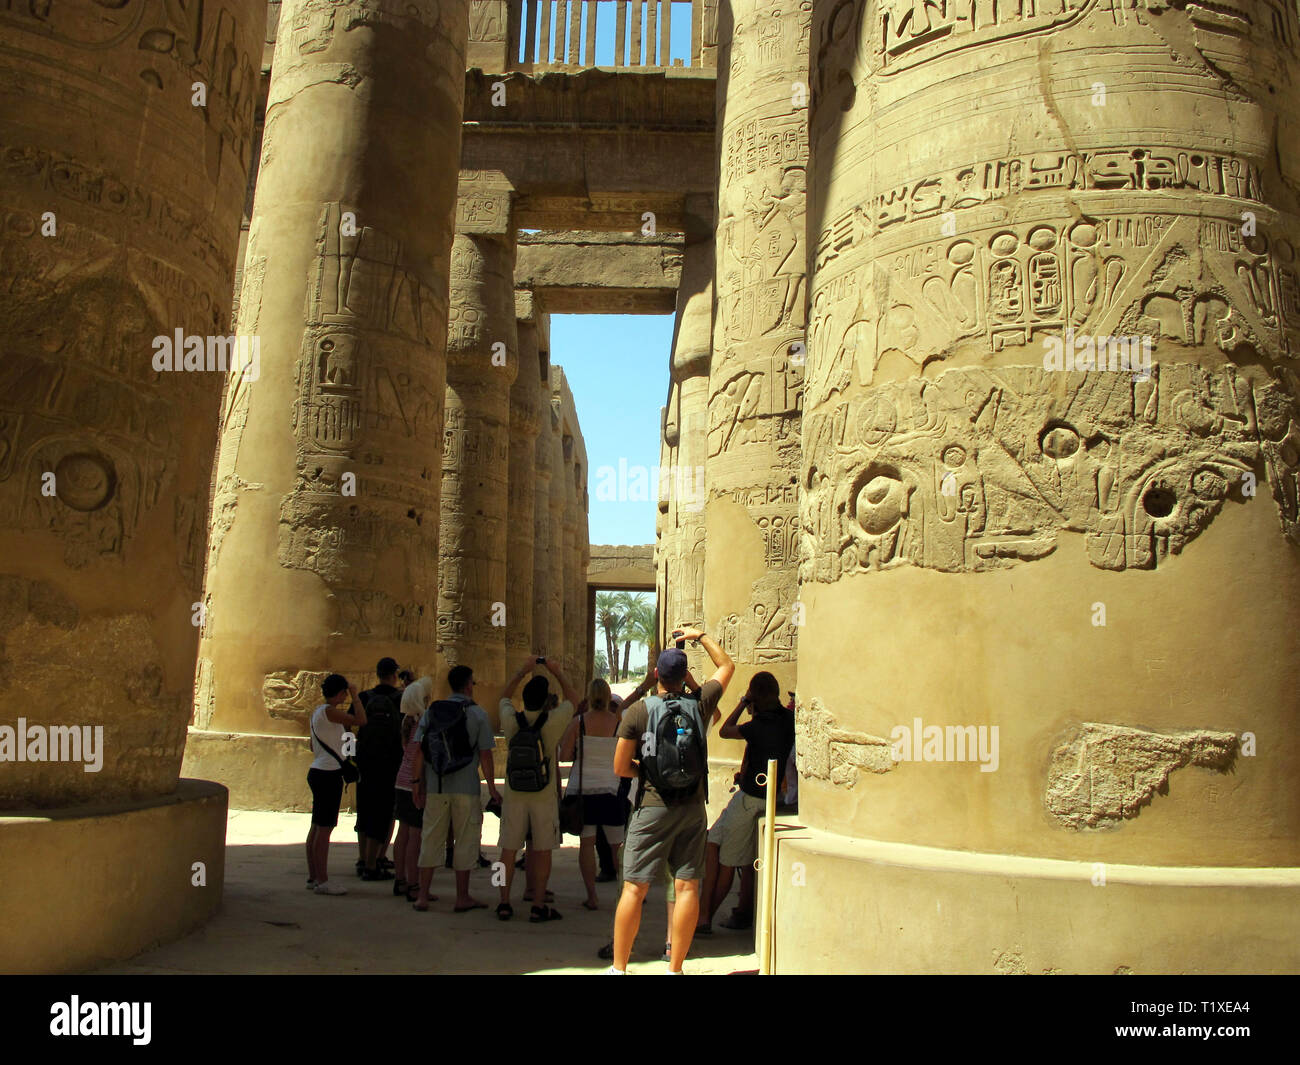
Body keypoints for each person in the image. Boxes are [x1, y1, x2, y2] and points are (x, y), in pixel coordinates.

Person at [609, 628, 733, 973]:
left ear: (655, 675)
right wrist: (701, 635)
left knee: (634, 887)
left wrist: (646, 773)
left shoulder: (636, 712)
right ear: (685, 677)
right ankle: (675, 966)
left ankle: (619, 967)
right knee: (687, 885)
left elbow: (620, 767)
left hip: (652, 805)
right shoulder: (701, 704)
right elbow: (726, 665)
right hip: (692, 807)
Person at [697, 671, 795, 934]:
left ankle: (705, 919)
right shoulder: (789, 721)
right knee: (718, 843)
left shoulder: (757, 725)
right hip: (766, 796)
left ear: (755, 695)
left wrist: (742, 702)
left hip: (750, 798)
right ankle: (720, 912)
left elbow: (725, 731)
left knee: (730, 859)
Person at [410, 665, 500, 912]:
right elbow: (485, 755)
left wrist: (416, 782)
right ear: (469, 685)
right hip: (466, 787)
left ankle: (423, 895)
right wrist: (492, 787)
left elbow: (418, 749)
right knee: (465, 840)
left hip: (437, 784)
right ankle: (462, 897)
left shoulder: (433, 711)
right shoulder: (478, 714)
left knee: (431, 838)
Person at [496, 655, 578, 922]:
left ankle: (504, 902)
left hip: (514, 793)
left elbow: (503, 699)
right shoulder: (552, 722)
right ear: (545, 701)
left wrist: (521, 671)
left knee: (507, 850)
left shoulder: (511, 720)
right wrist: (557, 671)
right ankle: (538, 904)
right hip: (543, 795)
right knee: (542, 850)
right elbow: (575, 701)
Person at [558, 678, 625, 910]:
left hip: (582, 791)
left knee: (587, 844)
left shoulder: (579, 723)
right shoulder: (618, 723)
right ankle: (626, 896)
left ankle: (592, 896)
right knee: (618, 846)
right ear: (608, 697)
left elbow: (564, 756)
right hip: (609, 789)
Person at [306, 674, 366, 896]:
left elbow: (313, 745)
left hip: (319, 770)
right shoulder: (330, 712)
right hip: (327, 774)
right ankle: (322, 880)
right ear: (340, 692)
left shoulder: (317, 713)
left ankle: (314, 876)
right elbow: (361, 720)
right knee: (324, 830)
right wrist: (356, 696)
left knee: (316, 827)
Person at [355, 657, 404, 880]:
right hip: (391, 763)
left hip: (365, 762)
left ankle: (363, 858)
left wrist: (351, 756)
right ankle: (373, 865)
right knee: (383, 814)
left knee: (365, 811)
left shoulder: (364, 698)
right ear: (395, 675)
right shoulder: (401, 699)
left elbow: (350, 727)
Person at [392, 676, 432, 901]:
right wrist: (419, 784)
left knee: (403, 832)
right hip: (414, 783)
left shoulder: (406, 721)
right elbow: (419, 755)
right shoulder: (422, 723)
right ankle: (413, 884)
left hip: (401, 780)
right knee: (415, 836)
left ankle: (400, 879)